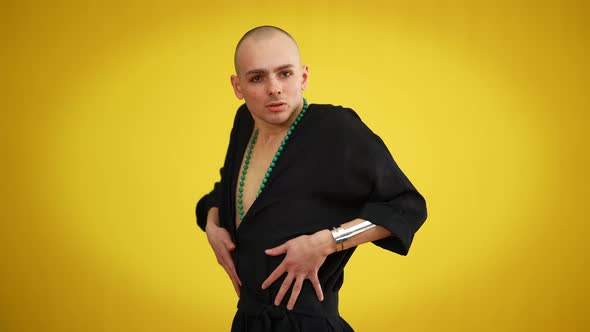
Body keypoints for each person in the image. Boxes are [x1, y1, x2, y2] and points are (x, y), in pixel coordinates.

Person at [195, 25, 427, 331]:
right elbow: (227, 190)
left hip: (308, 324)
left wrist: (328, 241)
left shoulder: (336, 128)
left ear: (303, 76)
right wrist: (213, 223)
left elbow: (408, 207)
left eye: (285, 74)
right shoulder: (245, 123)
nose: (274, 88)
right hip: (249, 321)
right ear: (238, 87)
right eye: (257, 78)